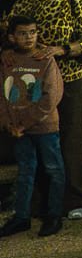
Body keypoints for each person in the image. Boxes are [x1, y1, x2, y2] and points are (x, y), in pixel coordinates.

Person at [9, 0, 82, 221]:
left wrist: (61, 50)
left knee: (71, 140)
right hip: (32, 85)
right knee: (36, 141)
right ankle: (41, 201)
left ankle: (75, 199)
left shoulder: (73, 2)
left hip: (70, 81)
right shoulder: (22, 6)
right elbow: (9, 39)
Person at [0, 15, 65, 237]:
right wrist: (8, 123)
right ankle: (22, 216)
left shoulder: (45, 59)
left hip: (43, 127)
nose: (28, 38)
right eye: (22, 33)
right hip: (18, 128)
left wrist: (24, 124)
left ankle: (54, 214)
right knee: (25, 171)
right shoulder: (7, 60)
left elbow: (50, 97)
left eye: (32, 32)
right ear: (12, 36)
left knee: (54, 169)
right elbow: (3, 95)